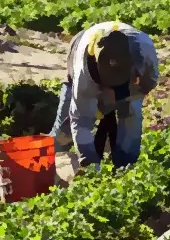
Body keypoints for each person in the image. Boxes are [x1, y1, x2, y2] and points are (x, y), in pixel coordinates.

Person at [52, 20, 160, 176]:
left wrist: (125, 96)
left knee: (131, 112)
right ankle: (53, 162)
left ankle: (125, 166)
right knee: (65, 126)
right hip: (80, 48)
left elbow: (149, 83)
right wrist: (89, 162)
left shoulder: (144, 51)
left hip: (131, 78)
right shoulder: (84, 72)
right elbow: (81, 121)